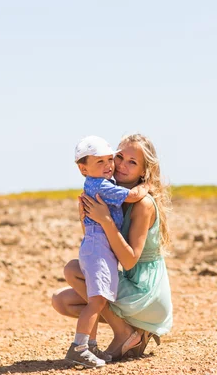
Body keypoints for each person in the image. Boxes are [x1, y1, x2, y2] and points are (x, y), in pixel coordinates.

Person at [52, 133, 173, 362]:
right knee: (62, 300)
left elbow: (128, 261)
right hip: (127, 280)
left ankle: (125, 333)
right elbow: (101, 247)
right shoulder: (110, 193)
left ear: (144, 171)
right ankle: (133, 331)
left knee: (74, 270)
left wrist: (106, 220)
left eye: (132, 162)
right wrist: (87, 219)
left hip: (145, 291)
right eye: (119, 157)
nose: (121, 165)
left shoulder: (143, 204)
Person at [64, 135, 149, 368]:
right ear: (84, 169)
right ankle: (79, 347)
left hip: (97, 246)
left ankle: (90, 346)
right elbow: (132, 196)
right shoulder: (100, 184)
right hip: (99, 247)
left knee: (96, 298)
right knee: (96, 301)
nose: (108, 166)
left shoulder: (101, 183)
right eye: (99, 162)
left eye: (109, 160)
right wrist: (148, 184)